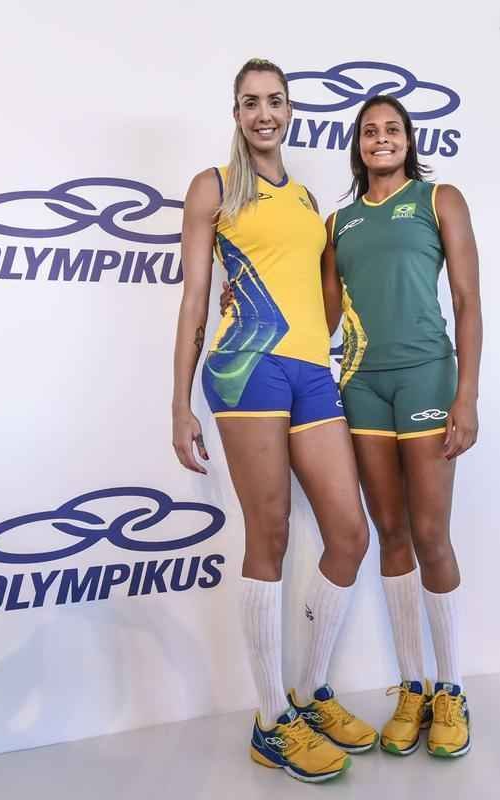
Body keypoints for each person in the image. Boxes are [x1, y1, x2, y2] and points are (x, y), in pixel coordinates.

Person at [222, 93, 481, 760]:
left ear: (407, 139)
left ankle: (451, 686)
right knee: (389, 531)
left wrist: (467, 394)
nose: (380, 139)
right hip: (359, 387)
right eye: (369, 131)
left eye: (391, 129)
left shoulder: (438, 199)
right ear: (357, 145)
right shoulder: (336, 221)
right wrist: (242, 296)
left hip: (425, 377)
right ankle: (411, 686)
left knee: (430, 532)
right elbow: (319, 310)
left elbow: (465, 299)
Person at [172, 58, 378, 784]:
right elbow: (196, 297)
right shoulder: (214, 187)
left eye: (275, 101)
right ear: (235, 113)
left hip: (308, 371)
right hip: (244, 368)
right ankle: (269, 723)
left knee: (348, 534)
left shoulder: (305, 199)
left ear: (289, 111)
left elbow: (318, 295)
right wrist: (177, 402)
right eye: (250, 102)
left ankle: (308, 692)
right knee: (270, 532)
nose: (264, 113)